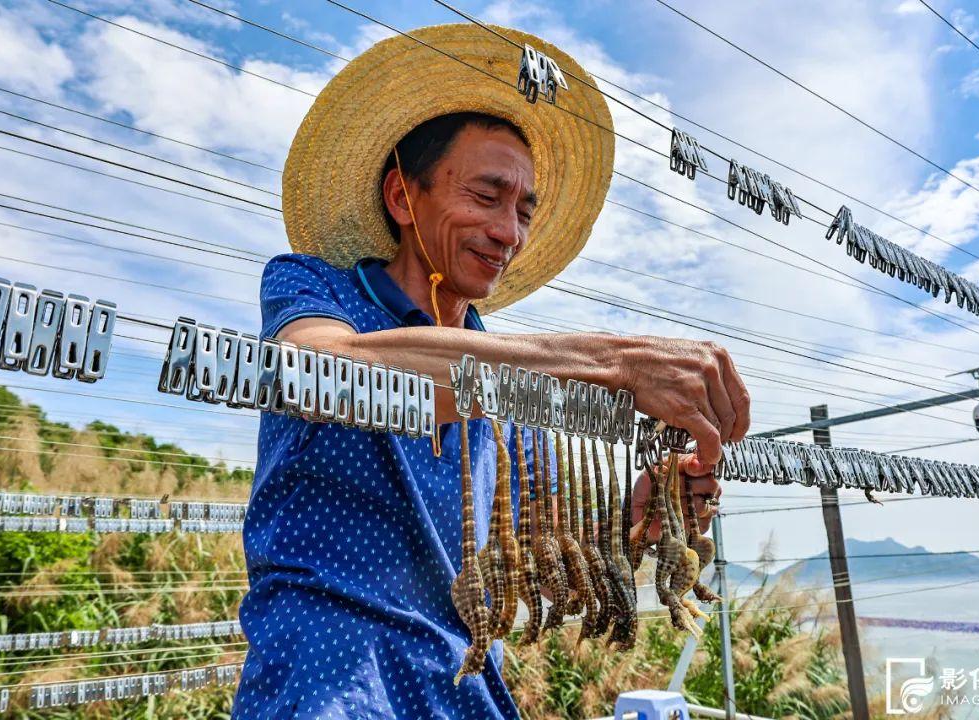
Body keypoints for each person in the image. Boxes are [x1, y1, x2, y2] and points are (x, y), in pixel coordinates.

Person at [232, 23, 749, 720]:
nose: (510, 232)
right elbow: (316, 367)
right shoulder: (319, 294)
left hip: (468, 695)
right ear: (402, 199)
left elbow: (539, 552)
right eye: (486, 195)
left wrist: (643, 509)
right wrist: (614, 364)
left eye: (524, 210)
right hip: (331, 685)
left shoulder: (511, 384)